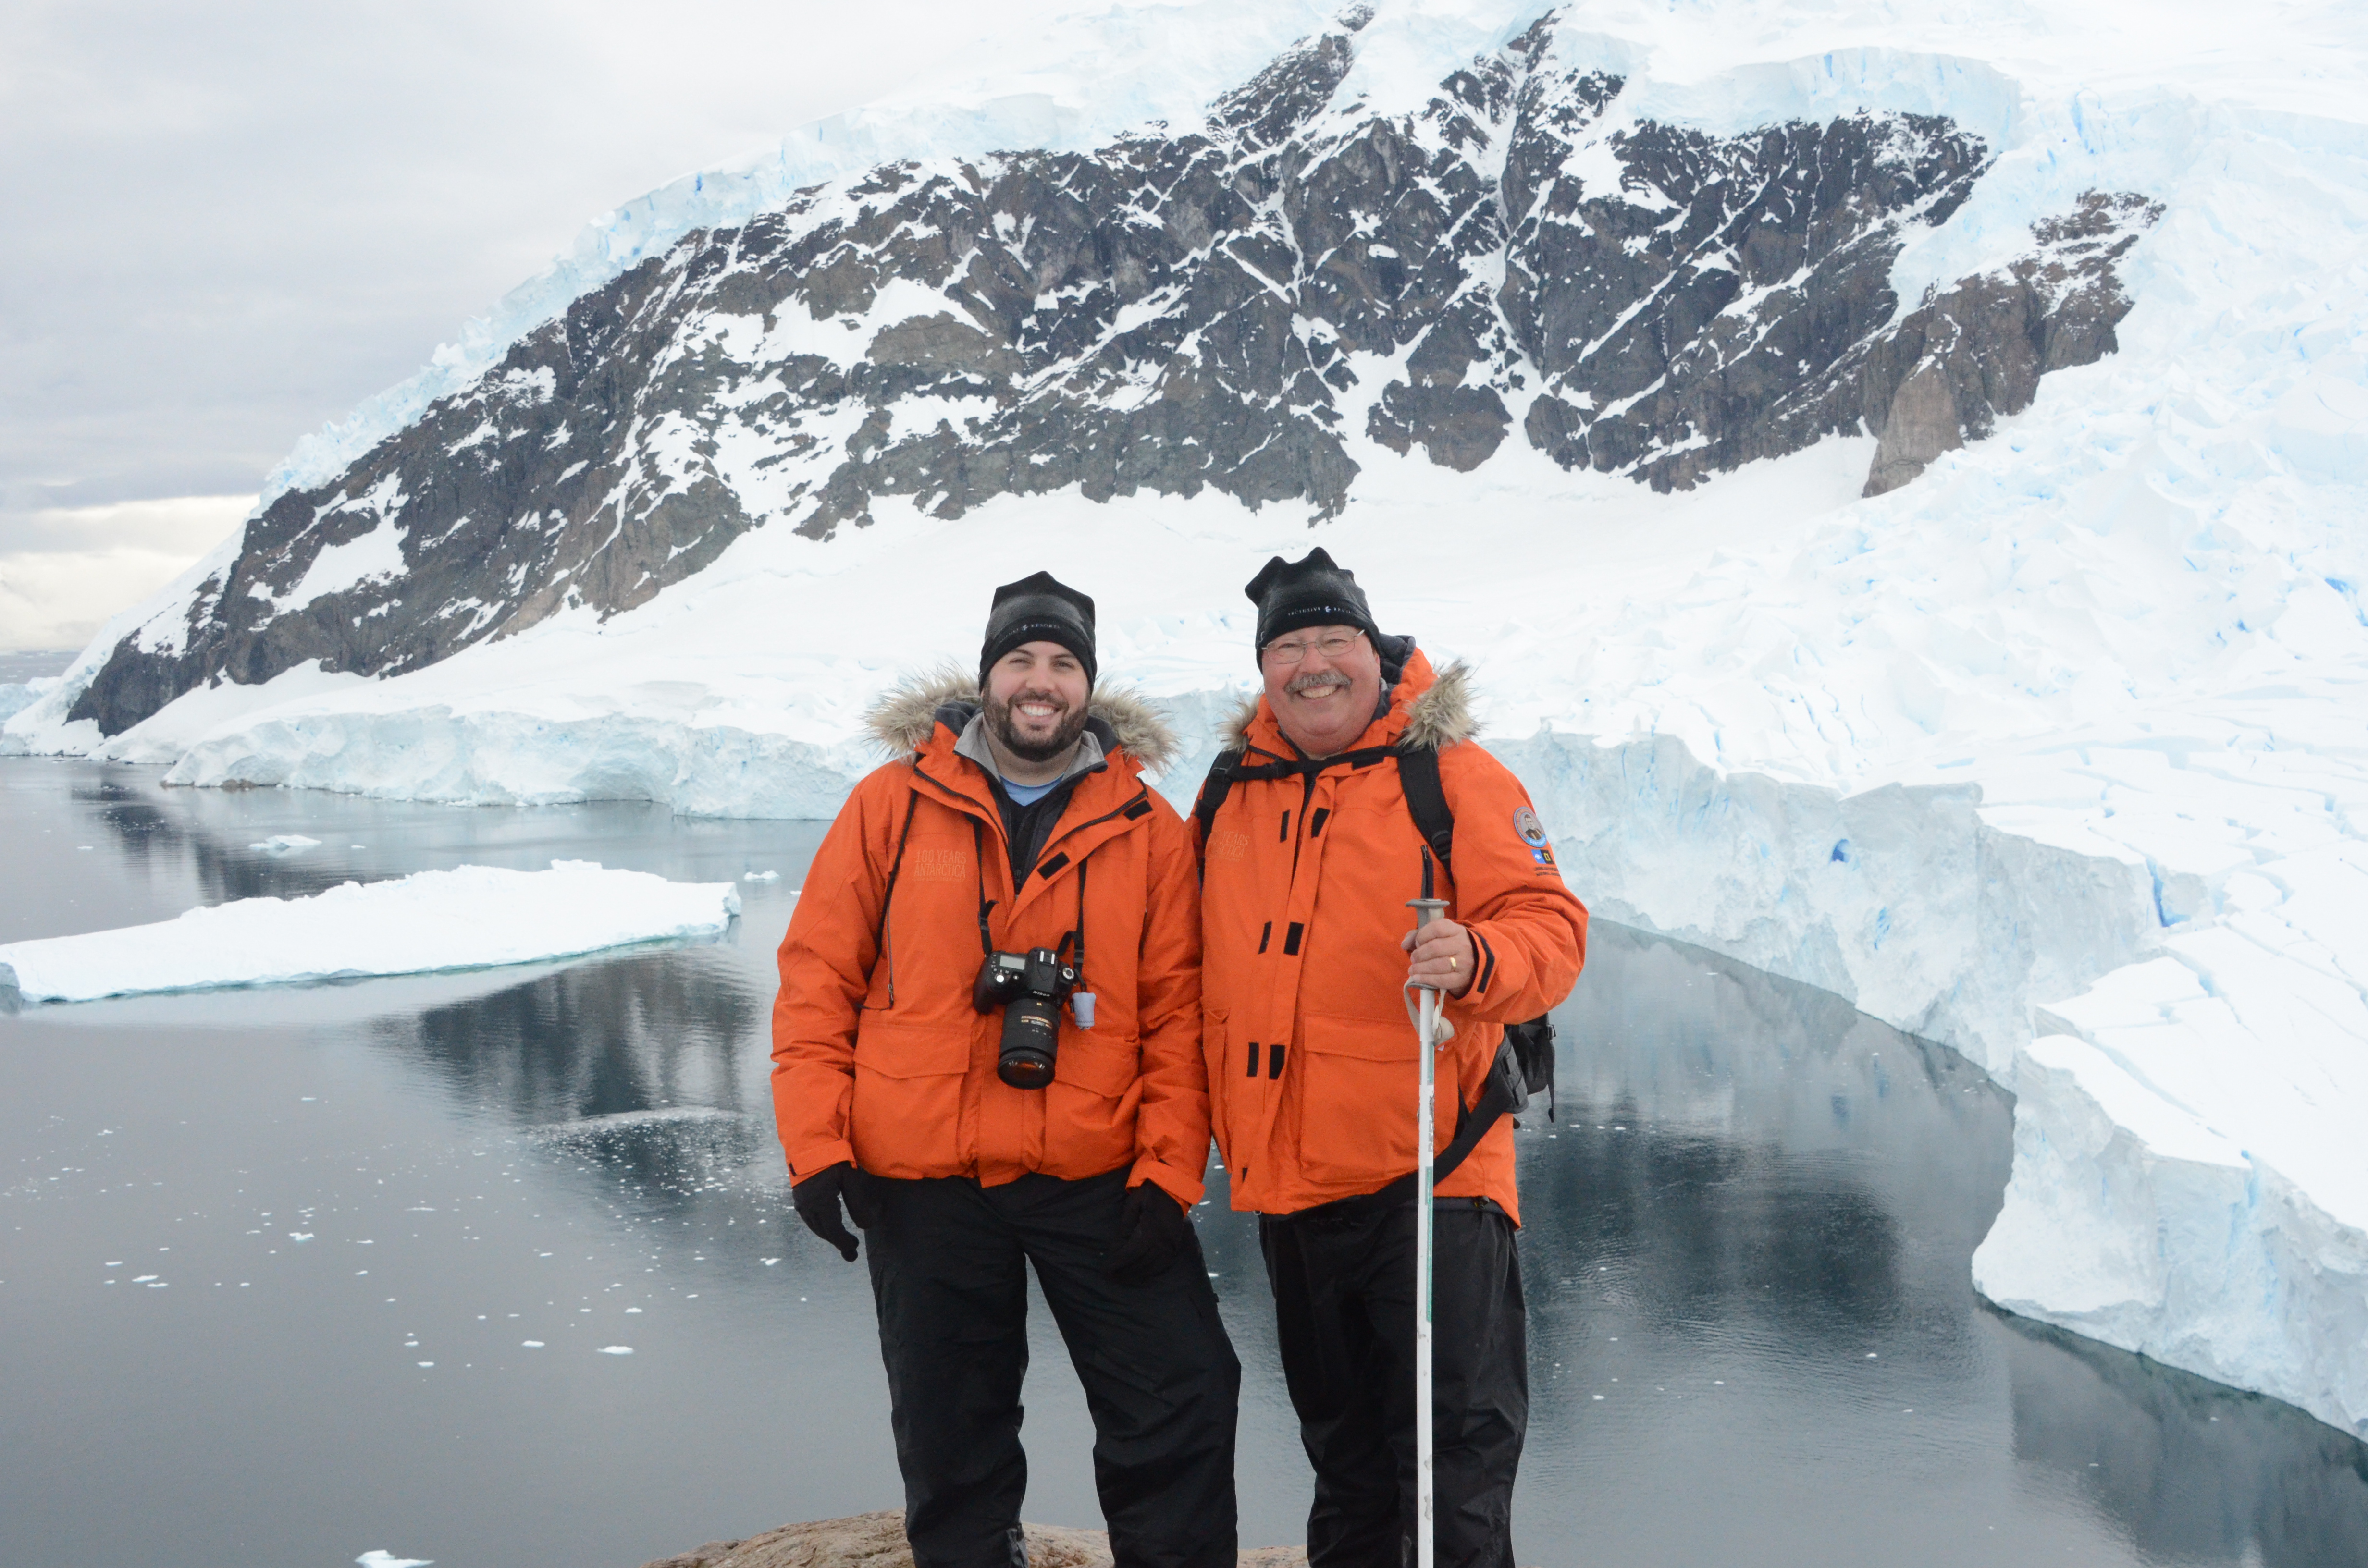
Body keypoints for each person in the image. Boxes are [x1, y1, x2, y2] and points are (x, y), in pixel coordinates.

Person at [772, 571, 1239, 1568]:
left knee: (1182, 1393)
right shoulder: (891, 805)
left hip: (1095, 1170)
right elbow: (817, 980)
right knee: (950, 1430)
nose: (1041, 681)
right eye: (1020, 660)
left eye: (1063, 663)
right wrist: (816, 1147)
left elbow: (1177, 1020)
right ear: (987, 678)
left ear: (1088, 688)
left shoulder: (1148, 830)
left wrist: (1167, 1171)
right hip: (923, 1173)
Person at [1191, 548, 1588, 1568]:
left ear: (1374, 653)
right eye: (1290, 646)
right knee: (1348, 1463)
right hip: (1291, 1185)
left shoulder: (1450, 773)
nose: (1313, 664)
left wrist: (1479, 951)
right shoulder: (1234, 787)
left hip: (1436, 1172)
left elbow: (1553, 928)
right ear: (1263, 667)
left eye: (1334, 640)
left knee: (1451, 1463)